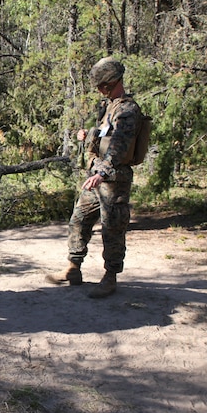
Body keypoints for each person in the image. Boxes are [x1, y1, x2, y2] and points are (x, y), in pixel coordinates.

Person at [46, 57, 142, 298]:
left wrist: (102, 172)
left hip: (113, 179)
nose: (98, 89)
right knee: (79, 219)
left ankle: (110, 277)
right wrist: (87, 136)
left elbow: (119, 146)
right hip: (97, 177)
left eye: (101, 85)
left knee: (113, 228)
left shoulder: (127, 110)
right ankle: (73, 268)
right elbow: (103, 137)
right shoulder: (108, 107)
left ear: (110, 83)